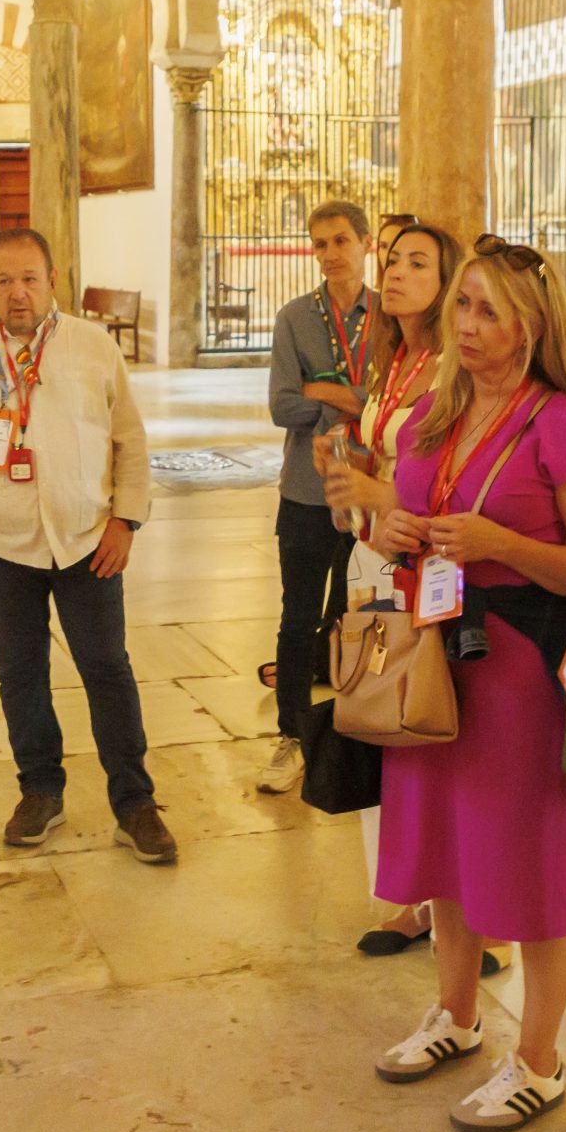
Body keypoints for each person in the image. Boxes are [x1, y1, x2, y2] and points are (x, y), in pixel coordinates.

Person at [364, 237, 566, 1132]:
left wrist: (503, 545)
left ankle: (539, 1059)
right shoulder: (434, 416)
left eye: (488, 312)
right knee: (445, 838)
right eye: (462, 306)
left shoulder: (562, 425)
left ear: (532, 327)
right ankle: (457, 1011)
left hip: (519, 664)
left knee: (530, 855)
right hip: (436, 656)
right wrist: (390, 528)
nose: (467, 326)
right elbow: (398, 514)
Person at [0, 228, 175, 863]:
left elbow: (130, 442)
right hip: (2, 544)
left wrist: (126, 520)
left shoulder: (93, 349)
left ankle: (135, 803)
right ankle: (40, 790)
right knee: (20, 671)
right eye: (4, 280)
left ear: (52, 281)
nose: (18, 293)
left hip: (89, 541)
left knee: (107, 668)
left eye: (30, 279)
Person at [322, 221, 464, 958]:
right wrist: (348, 474)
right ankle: (404, 896)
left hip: (426, 566)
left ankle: (460, 907)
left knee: (430, 718)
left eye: (419, 262)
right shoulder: (395, 359)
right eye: (394, 260)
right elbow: (381, 458)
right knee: (378, 715)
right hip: (372, 558)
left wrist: (381, 491)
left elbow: (455, 479)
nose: (398, 272)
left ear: (448, 281)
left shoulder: (457, 368)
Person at [257, 200, 374, 795]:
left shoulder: (389, 316)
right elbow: (283, 406)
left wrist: (322, 388)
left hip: (372, 490)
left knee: (365, 614)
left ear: (365, 243)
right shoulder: (295, 317)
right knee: (298, 617)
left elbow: (399, 401)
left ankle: (364, 724)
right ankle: (293, 735)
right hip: (307, 490)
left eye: (341, 241)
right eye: (320, 244)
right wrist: (353, 400)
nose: (330, 254)